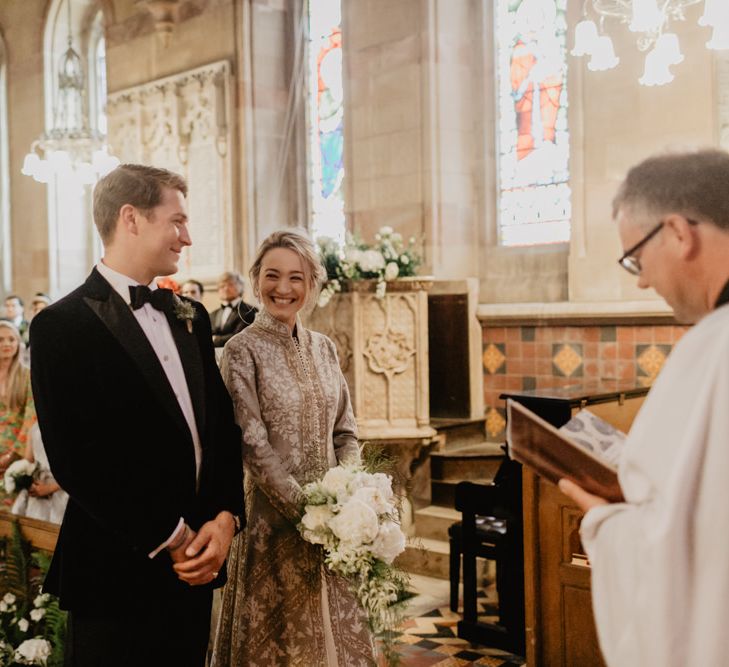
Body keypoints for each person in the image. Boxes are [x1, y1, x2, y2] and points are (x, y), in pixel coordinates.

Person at [29, 164, 245, 667]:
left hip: (196, 568)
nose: (186, 237)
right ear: (131, 218)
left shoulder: (188, 314)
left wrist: (226, 518)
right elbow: (74, 458)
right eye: (177, 221)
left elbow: (221, 431)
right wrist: (172, 538)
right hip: (115, 571)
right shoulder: (60, 326)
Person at [558, 148, 729, 667]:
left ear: (679, 233)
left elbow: (687, 564)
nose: (641, 280)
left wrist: (605, 523)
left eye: (635, 257)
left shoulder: (712, 353)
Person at [211, 230, 374, 666]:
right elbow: (251, 441)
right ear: (256, 279)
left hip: (336, 531)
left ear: (312, 284)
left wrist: (348, 498)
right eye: (272, 276)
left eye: (296, 278)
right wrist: (307, 512)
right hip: (272, 524)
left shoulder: (325, 348)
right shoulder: (240, 351)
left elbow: (346, 430)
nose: (283, 288)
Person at [0, 320, 35, 504]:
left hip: (16, 453)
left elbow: (31, 419)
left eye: (11, 339)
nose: (6, 344)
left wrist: (12, 455)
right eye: (1, 339)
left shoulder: (28, 375)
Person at [11, 423, 68, 524]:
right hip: (39, 483)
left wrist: (50, 488)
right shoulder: (34, 428)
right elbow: (28, 461)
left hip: (63, 485)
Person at [210, 271, 256, 348]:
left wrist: (215, 339)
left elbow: (240, 336)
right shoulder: (213, 314)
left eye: (230, 284)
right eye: (222, 286)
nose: (226, 288)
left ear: (241, 287)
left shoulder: (249, 310)